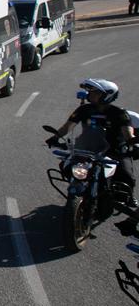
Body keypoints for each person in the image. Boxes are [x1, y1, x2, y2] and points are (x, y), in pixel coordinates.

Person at [46, 78, 137, 208]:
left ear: (107, 96)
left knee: (127, 175)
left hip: (113, 151)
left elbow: (129, 134)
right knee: (66, 166)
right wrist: (55, 138)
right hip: (87, 148)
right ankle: (79, 188)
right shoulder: (84, 110)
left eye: (95, 93)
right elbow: (68, 127)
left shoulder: (120, 114)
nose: (90, 95)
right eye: (91, 92)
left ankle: (129, 196)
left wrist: (133, 143)